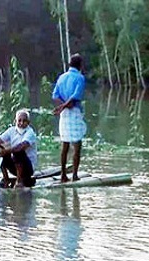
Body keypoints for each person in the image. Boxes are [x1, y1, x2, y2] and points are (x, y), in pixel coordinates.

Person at [52, 53, 87, 183]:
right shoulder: (80, 78)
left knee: (65, 144)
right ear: (80, 65)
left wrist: (61, 106)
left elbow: (55, 95)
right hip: (74, 112)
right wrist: (65, 105)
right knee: (77, 145)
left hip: (64, 114)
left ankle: (63, 175)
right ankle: (74, 175)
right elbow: (75, 97)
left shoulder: (61, 77)